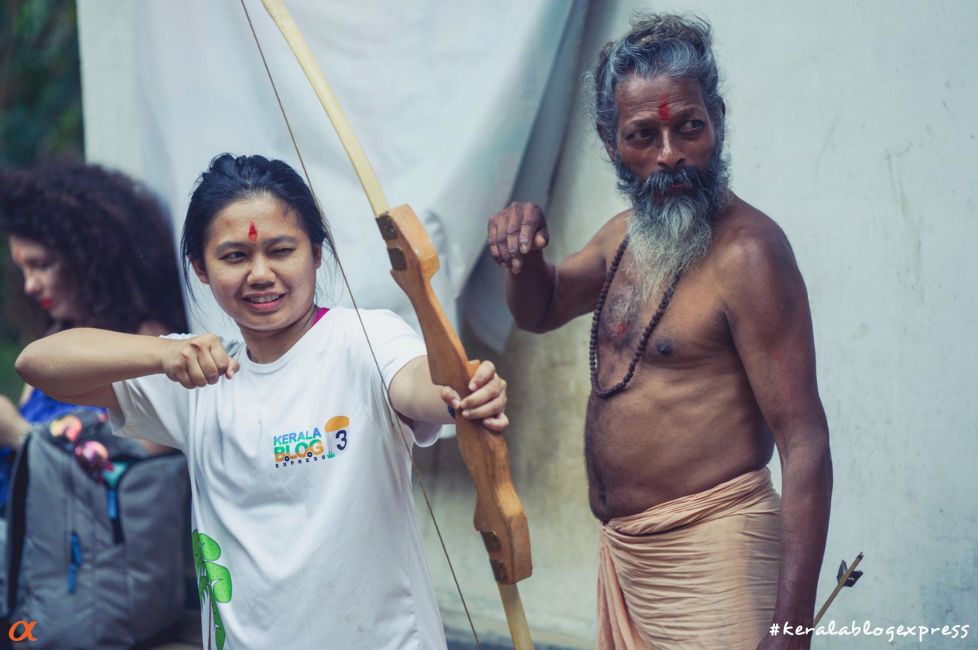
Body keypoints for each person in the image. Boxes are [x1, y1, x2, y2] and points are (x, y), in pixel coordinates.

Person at [17, 153, 509, 650]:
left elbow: (421, 387)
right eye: (234, 257)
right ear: (200, 269)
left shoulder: (365, 338)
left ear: (316, 252)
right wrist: (162, 352)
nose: (260, 273)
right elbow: (38, 364)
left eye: (281, 250)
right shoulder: (197, 372)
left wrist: (461, 392)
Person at [486, 14, 832, 650]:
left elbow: (804, 442)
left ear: (717, 120)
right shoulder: (624, 236)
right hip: (626, 562)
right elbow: (541, 309)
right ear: (611, 140)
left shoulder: (750, 255)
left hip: (715, 558)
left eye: (688, 127)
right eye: (644, 135)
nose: (670, 154)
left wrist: (791, 630)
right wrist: (524, 255)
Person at [0, 162, 187, 466]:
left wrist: (20, 435)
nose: (30, 286)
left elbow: (128, 470)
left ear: (90, 258)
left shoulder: (152, 343)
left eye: (42, 265)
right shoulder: (52, 343)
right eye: (22, 270)